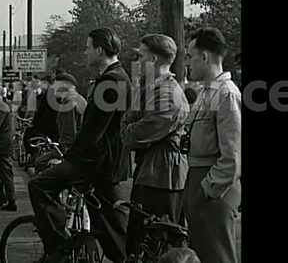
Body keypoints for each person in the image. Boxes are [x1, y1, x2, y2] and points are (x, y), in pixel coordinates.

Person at [28, 27, 132, 263]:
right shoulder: (119, 77)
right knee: (110, 226)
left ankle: (59, 246)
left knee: (39, 185)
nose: (85, 52)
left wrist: (69, 158)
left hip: (95, 162)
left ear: (99, 49)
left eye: (87, 47)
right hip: (106, 160)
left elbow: (92, 132)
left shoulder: (110, 82)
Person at [121, 34, 190, 255]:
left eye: (141, 56)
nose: (137, 61)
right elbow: (131, 122)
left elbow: (137, 133)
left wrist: (128, 130)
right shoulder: (151, 88)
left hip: (164, 177)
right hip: (152, 171)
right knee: (141, 242)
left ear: (152, 60)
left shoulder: (168, 94)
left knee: (159, 243)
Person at [183, 27, 241, 263]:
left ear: (204, 57)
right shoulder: (206, 94)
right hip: (199, 182)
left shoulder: (226, 95)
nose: (187, 62)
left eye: (189, 56)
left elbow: (232, 156)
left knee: (216, 256)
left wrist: (207, 190)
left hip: (214, 192)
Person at [33, 72, 86, 173]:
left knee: (39, 162)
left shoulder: (68, 105)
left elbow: (68, 134)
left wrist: (63, 151)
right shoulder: (80, 99)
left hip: (69, 150)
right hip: (80, 148)